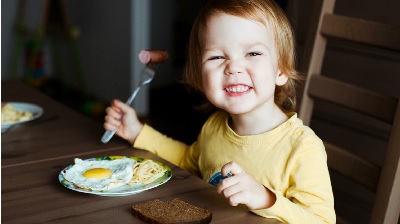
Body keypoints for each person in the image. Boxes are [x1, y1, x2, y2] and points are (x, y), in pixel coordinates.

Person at [104, 0, 335, 223]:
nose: (233, 67)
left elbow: (322, 221)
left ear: (281, 69)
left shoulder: (302, 148)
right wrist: (137, 132)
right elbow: (188, 160)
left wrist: (267, 199)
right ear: (200, 76)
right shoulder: (213, 128)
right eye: (216, 57)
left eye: (253, 53)